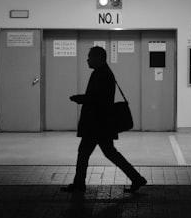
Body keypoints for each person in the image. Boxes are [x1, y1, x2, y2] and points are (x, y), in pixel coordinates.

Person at [61, 46, 148, 193]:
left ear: (99, 58)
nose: (87, 60)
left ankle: (79, 184)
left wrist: (80, 99)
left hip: (97, 123)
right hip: (102, 123)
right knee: (108, 153)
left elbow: (96, 99)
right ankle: (136, 178)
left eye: (90, 57)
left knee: (85, 152)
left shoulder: (101, 74)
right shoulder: (105, 73)